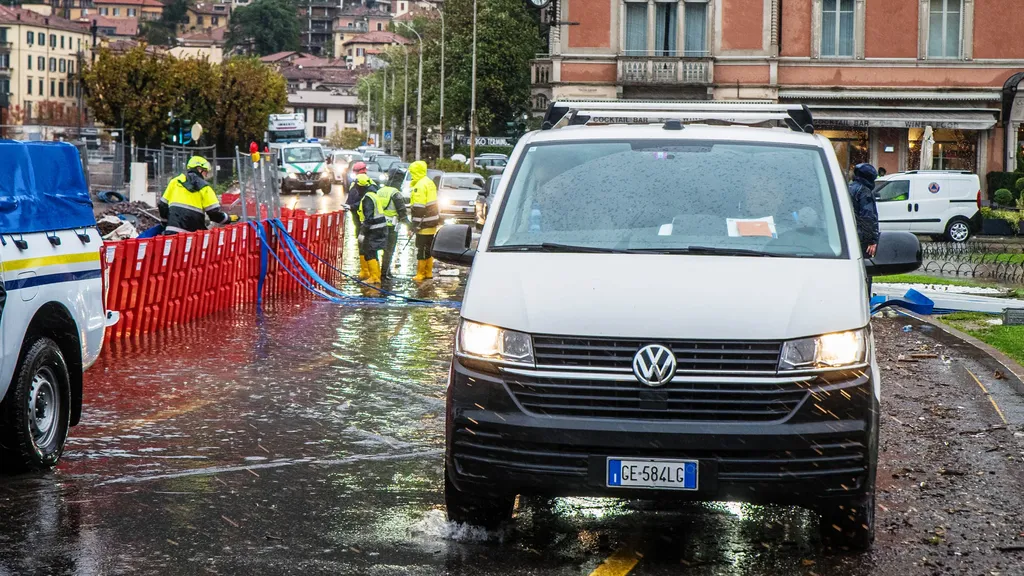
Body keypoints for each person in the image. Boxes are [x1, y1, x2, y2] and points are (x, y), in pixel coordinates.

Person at [159, 156, 236, 235]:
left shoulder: (175, 182)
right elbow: (214, 214)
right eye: (205, 171)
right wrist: (228, 218)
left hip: (172, 232)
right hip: (193, 236)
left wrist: (165, 223)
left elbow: (162, 205)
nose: (206, 175)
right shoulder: (205, 187)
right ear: (199, 169)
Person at [408, 160, 439, 283]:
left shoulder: (419, 186)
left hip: (423, 223)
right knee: (428, 248)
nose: (411, 175)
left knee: (421, 248)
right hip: (431, 222)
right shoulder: (429, 182)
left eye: (412, 172)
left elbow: (419, 208)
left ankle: (420, 273)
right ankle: (428, 272)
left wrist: (414, 226)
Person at [356, 174, 388, 285]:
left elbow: (368, 217)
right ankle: (376, 276)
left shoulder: (368, 198)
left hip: (373, 229)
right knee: (373, 252)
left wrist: (362, 232)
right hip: (380, 228)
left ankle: (374, 278)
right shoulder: (373, 194)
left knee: (369, 252)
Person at [347, 162, 376, 280]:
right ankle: (364, 270)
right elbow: (351, 197)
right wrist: (348, 205)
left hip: (365, 220)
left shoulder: (369, 184)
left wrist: (352, 206)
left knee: (367, 245)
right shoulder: (355, 183)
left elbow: (366, 201)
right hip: (357, 218)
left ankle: (371, 273)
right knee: (361, 245)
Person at [376, 183, 408, 282]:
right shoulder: (395, 193)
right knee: (389, 250)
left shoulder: (379, 191)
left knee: (376, 248)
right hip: (391, 226)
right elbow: (402, 211)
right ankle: (385, 273)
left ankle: (377, 272)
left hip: (378, 224)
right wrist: (410, 225)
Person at [849, 163, 880, 258]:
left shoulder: (848, 187)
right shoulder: (864, 192)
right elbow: (868, 217)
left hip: (848, 234)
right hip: (861, 238)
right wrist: (872, 240)